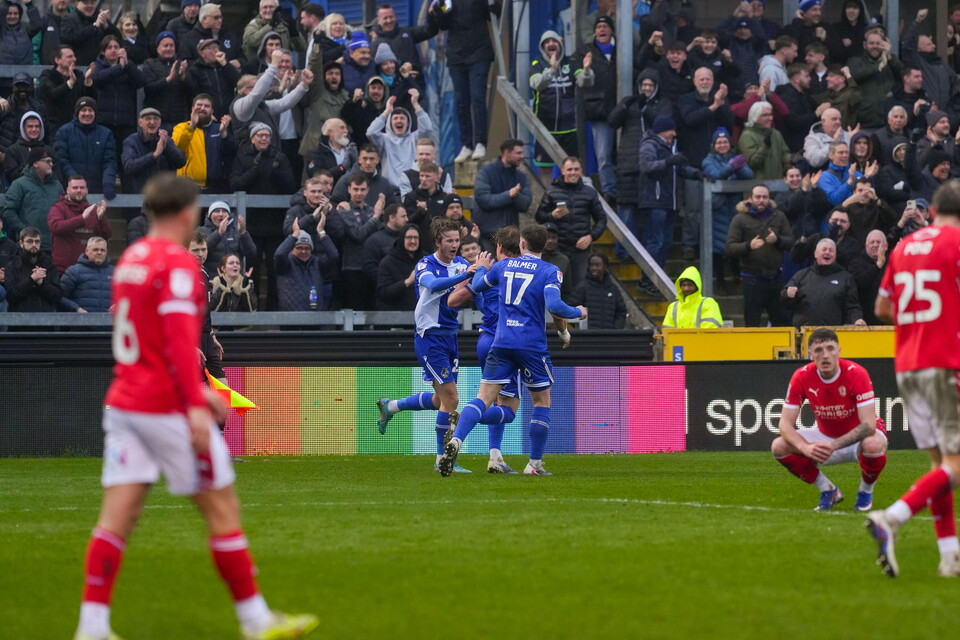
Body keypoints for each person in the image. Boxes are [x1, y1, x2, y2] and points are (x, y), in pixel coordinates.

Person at [73, 173, 318, 640]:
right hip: (166, 407)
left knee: (116, 518)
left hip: (125, 402)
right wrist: (196, 402)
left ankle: (92, 626)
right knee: (222, 507)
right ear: (187, 214)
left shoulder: (130, 261)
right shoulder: (179, 266)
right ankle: (255, 620)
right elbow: (182, 343)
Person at [438, 223, 587, 476]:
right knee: (541, 401)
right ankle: (535, 465)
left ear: (522, 244)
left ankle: (457, 441)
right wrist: (578, 313)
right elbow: (554, 305)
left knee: (483, 398)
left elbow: (473, 289)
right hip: (531, 346)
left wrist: (480, 270)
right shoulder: (551, 270)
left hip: (501, 342)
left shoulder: (502, 267)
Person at [867, 180, 960, 578]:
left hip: (908, 363)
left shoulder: (905, 247)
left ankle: (949, 557)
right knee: (955, 463)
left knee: (940, 462)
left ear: (933, 211)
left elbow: (882, 307)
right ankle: (893, 516)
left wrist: (920, 324)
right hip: (945, 360)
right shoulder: (955, 243)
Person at [375, 217, 483, 472]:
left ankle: (390, 406)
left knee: (440, 400)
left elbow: (471, 288)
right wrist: (466, 274)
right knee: (452, 398)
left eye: (457, 240)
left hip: (450, 335)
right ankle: (441, 460)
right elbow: (433, 286)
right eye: (449, 241)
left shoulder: (461, 264)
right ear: (437, 242)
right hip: (429, 336)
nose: (455, 245)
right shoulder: (426, 265)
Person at [772, 327, 887, 511]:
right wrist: (805, 447)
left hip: (859, 438)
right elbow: (784, 424)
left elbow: (869, 425)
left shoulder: (857, 373)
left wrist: (832, 446)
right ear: (810, 355)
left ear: (839, 351)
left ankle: (865, 492)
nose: (825, 355)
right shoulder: (801, 376)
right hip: (827, 436)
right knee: (779, 446)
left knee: (872, 444)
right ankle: (828, 490)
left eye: (830, 349)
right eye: (818, 350)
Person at [229, 122, 296, 310]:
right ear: (252, 138)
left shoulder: (279, 157)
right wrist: (255, 170)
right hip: (252, 225)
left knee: (275, 271)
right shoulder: (243, 156)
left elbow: (290, 186)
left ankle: (274, 309)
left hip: (275, 224)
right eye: (260, 135)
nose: (264, 138)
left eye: (267, 135)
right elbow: (236, 184)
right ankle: (251, 308)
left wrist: (276, 173)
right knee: (252, 270)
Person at [433, 0, 498, 163]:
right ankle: (467, 144)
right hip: (457, 54)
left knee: (477, 97)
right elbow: (443, 24)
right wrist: (439, 8)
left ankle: (480, 142)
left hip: (479, 52)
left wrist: (493, 4)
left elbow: (493, 12)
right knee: (461, 101)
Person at [528, 29, 594, 180]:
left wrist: (587, 69)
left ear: (560, 44)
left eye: (554, 41)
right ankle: (549, 201)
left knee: (572, 169)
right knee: (545, 169)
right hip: (545, 127)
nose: (551, 44)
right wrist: (551, 70)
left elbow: (586, 82)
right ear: (542, 46)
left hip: (569, 127)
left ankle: (572, 200)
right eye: (547, 42)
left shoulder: (571, 63)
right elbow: (536, 84)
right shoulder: (537, 64)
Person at [534, 156, 607, 291]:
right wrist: (552, 215)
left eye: (576, 169)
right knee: (553, 286)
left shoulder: (590, 193)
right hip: (556, 249)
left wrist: (591, 237)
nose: (573, 172)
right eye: (569, 169)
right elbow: (539, 216)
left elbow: (602, 220)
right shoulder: (551, 191)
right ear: (562, 171)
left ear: (581, 171)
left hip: (580, 250)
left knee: (579, 288)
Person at [726, 183, 794, 327]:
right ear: (750, 199)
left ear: (769, 199)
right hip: (752, 280)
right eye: (757, 197)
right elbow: (731, 247)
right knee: (752, 321)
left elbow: (790, 242)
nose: (761, 200)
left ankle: (781, 350)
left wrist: (778, 240)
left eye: (764, 197)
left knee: (782, 322)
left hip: (775, 278)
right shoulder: (740, 219)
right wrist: (748, 246)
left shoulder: (779, 216)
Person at [327, 175, 386, 310]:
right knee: (353, 309)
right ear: (349, 189)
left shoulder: (371, 211)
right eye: (355, 189)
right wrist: (376, 217)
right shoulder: (344, 210)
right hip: (352, 268)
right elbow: (357, 234)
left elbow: (379, 234)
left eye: (362, 189)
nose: (359, 193)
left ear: (367, 190)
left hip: (371, 267)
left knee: (371, 309)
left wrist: (378, 216)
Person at [782, 238, 865, 327]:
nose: (827, 252)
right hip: (804, 333)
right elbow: (786, 303)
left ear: (835, 255)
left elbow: (852, 307)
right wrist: (787, 294)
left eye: (831, 250)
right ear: (815, 254)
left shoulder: (846, 278)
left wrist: (857, 319)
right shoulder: (801, 275)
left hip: (833, 335)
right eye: (824, 249)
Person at [91, 35, 145, 158]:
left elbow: (140, 82)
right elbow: (98, 79)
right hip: (104, 121)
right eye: (109, 47)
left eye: (116, 47)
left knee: (126, 159)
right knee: (105, 158)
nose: (113, 50)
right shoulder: (98, 65)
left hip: (125, 122)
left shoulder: (128, 66)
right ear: (103, 51)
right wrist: (118, 68)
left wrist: (127, 65)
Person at [365, 92, 433, 188]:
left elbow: (427, 128)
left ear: (408, 123)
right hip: (390, 191)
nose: (399, 121)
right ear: (389, 122)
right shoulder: (384, 139)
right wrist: (387, 112)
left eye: (402, 118)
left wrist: (416, 104)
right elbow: (371, 133)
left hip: (412, 189)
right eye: (395, 118)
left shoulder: (414, 138)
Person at [473, 139, 532, 246]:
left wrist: (516, 195)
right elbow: (483, 200)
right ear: (507, 153)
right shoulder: (486, 173)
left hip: (511, 238)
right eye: (518, 153)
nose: (522, 156)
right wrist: (508, 195)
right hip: (488, 237)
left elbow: (525, 204)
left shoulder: (521, 177)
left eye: (522, 153)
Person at [47, 175, 112, 275]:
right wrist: (81, 219)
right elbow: (56, 227)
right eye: (75, 187)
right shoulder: (58, 208)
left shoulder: (94, 210)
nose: (79, 190)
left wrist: (101, 219)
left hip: (90, 270)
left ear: (87, 190)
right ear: (67, 190)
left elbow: (106, 235)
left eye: (82, 188)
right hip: (63, 270)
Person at [172, 93, 236, 192]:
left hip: (215, 187)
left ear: (212, 110)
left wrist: (224, 134)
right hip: (187, 187)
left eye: (207, 106)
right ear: (192, 108)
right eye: (199, 105)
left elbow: (230, 153)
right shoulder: (181, 127)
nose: (202, 108)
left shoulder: (219, 128)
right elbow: (177, 148)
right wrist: (192, 126)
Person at [3, 148, 64, 251]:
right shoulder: (19, 184)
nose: (52, 164)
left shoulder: (57, 185)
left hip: (55, 245)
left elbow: (65, 208)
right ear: (35, 163)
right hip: (30, 247)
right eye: (48, 161)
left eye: (52, 161)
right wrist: (25, 230)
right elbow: (8, 211)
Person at [54, 98, 118, 196]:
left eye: (90, 110)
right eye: (83, 110)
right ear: (77, 113)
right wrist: (76, 180)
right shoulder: (64, 132)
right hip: (71, 191)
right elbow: (61, 160)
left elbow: (110, 162)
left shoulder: (106, 134)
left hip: (97, 190)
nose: (87, 114)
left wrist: (108, 183)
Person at [120, 108, 186, 195]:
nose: (152, 122)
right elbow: (129, 166)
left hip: (164, 193)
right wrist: (154, 155)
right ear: (140, 122)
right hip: (140, 194)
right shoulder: (131, 141)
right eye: (148, 119)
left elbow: (181, 162)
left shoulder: (166, 140)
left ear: (160, 122)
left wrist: (167, 148)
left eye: (155, 119)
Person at [849, 26, 904, 130]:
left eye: (878, 43)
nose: (875, 46)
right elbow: (857, 75)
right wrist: (878, 66)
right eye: (871, 43)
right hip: (865, 121)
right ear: (864, 45)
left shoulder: (891, 61)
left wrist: (890, 57)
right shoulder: (855, 61)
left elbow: (904, 75)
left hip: (889, 121)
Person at [275, 222, 338, 313]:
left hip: (314, 318)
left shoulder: (318, 263)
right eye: (299, 248)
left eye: (307, 248)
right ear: (292, 248)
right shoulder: (285, 264)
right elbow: (279, 254)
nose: (304, 251)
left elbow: (334, 256)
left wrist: (321, 232)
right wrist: (295, 234)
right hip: (290, 319)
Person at [38, 45, 96, 136]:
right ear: (57, 60)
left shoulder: (79, 75)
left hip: (77, 127)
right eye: (70, 57)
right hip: (54, 127)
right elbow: (52, 94)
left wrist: (87, 81)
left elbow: (89, 99)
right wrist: (70, 83)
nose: (74, 59)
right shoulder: (47, 75)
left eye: (74, 56)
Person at [4, 226, 62, 313]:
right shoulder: (12, 266)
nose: (34, 244)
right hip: (20, 321)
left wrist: (42, 284)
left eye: (37, 241)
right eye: (30, 241)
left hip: (46, 321)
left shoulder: (49, 265)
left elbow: (57, 296)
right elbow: (11, 296)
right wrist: (31, 280)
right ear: (21, 243)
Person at [141, 31, 193, 129]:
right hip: (156, 121)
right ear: (158, 48)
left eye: (171, 46)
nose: (169, 48)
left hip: (179, 121)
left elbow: (192, 90)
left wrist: (183, 78)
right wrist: (168, 79)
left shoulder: (181, 65)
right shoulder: (150, 64)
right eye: (165, 46)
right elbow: (148, 88)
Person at [187, 38, 242, 119]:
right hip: (208, 116)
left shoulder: (225, 66)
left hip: (229, 115)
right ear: (202, 53)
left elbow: (239, 83)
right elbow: (194, 94)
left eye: (216, 47)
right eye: (210, 48)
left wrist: (225, 64)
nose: (215, 51)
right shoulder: (195, 70)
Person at [738, 100, 792, 180]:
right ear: (755, 117)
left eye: (770, 115)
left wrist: (792, 159)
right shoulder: (747, 136)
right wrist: (764, 147)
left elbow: (784, 154)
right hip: (757, 187)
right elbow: (752, 163)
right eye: (765, 115)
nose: (770, 118)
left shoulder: (776, 134)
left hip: (777, 185)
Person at [569, 253, 625, 329]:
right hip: (588, 336)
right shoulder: (582, 287)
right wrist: (582, 328)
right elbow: (571, 309)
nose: (594, 268)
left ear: (605, 266)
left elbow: (621, 311)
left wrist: (616, 329)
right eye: (591, 265)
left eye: (597, 265)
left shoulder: (613, 288)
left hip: (609, 336)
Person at [376, 222, 423, 311]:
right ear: (402, 239)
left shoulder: (426, 261)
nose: (413, 241)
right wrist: (407, 282)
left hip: (423, 318)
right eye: (409, 237)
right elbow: (383, 293)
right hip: (395, 318)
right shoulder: (387, 262)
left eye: (416, 237)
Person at [200, 201, 257, 275]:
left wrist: (243, 233)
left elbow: (251, 253)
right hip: (213, 279)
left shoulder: (236, 231)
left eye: (224, 211)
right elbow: (202, 251)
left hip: (235, 279)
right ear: (210, 215)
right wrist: (219, 233)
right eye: (217, 211)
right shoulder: (201, 231)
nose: (220, 214)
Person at [60, 236, 113, 313]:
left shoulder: (116, 273)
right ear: (87, 251)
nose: (99, 252)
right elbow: (59, 297)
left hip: (108, 323)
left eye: (102, 250)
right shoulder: (73, 272)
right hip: (81, 322)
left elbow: (127, 297)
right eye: (95, 249)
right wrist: (76, 309)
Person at [362, 203, 408, 288]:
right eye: (403, 216)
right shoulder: (374, 240)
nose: (407, 219)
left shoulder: (408, 239)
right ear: (392, 218)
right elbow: (370, 268)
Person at [847, 229, 887, 325]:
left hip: (887, 319)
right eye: (872, 242)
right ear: (866, 246)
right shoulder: (855, 263)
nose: (875, 245)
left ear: (886, 246)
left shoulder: (892, 263)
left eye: (878, 242)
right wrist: (878, 266)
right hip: (865, 321)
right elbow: (860, 284)